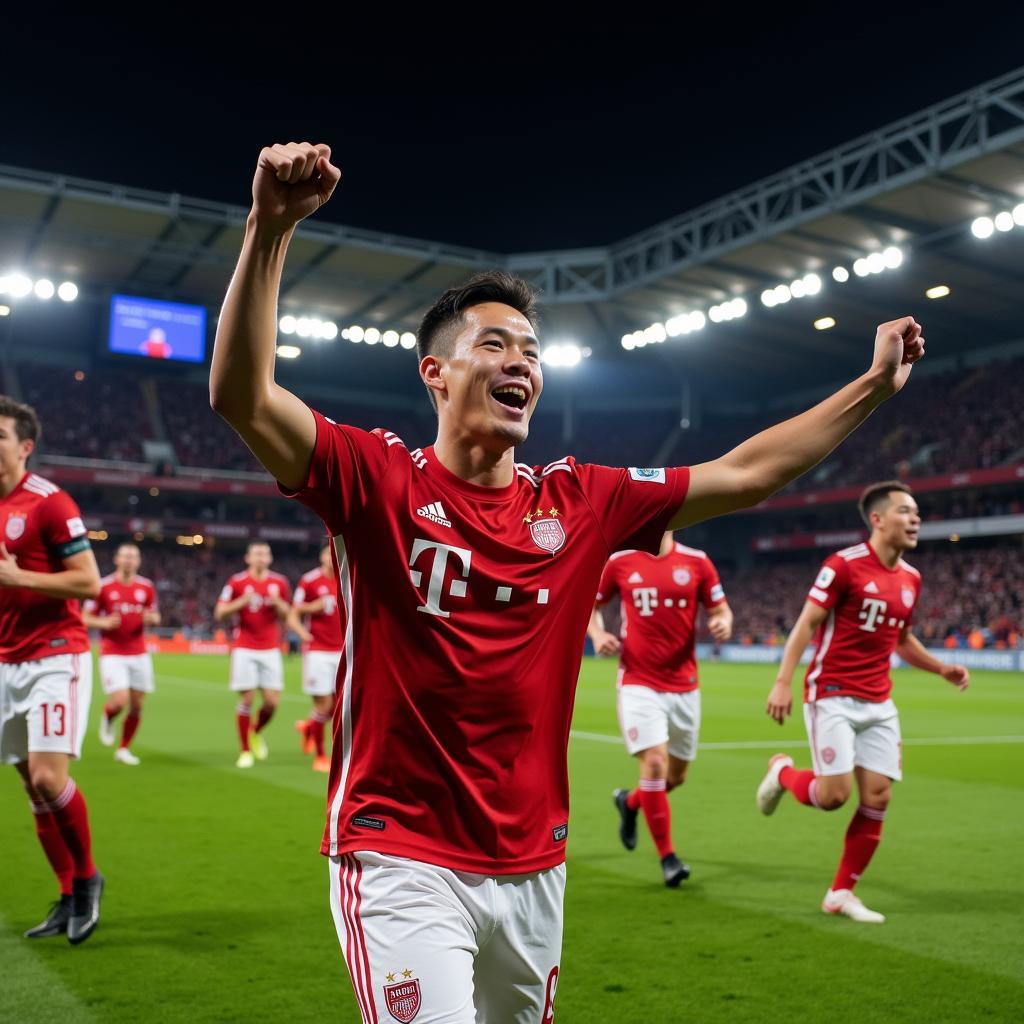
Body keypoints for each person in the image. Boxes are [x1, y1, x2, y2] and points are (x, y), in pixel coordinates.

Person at [210, 139, 925, 1021]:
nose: (522, 361)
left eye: (532, 350)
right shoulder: (376, 481)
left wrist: (872, 387)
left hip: (536, 862)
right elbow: (243, 397)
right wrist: (270, 229)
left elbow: (746, 474)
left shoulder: (583, 500)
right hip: (398, 855)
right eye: (494, 343)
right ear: (435, 373)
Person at [756, 481, 970, 923]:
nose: (916, 519)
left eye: (917, 513)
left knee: (878, 795)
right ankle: (781, 772)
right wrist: (782, 681)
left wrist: (940, 668)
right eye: (905, 512)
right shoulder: (844, 566)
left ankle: (840, 893)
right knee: (834, 796)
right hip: (831, 693)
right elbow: (806, 624)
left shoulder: (911, 578)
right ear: (877, 519)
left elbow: (903, 639)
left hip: (878, 701)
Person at [0, 395, 104, 944]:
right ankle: (66, 895)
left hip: (54, 653)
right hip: (5, 659)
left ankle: (88, 880)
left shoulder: (48, 502)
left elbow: (90, 583)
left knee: (48, 777)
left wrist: (23, 580)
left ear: (25, 446)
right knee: (31, 788)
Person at [589, 531, 733, 886]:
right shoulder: (619, 562)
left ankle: (631, 802)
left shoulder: (697, 562)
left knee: (676, 777)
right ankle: (668, 858)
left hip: (685, 685)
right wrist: (597, 634)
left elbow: (721, 609)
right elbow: (592, 605)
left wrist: (723, 623)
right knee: (655, 762)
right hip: (638, 680)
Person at [214, 541, 290, 768]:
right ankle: (245, 750)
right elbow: (220, 613)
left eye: (265, 553)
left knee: (272, 702)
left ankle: (255, 732)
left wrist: (278, 603)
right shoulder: (237, 582)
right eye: (257, 553)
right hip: (244, 647)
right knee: (246, 698)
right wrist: (241, 602)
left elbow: (288, 614)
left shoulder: (279, 582)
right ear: (248, 558)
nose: (261, 557)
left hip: (270, 648)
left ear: (270, 558)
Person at [82, 543, 160, 765]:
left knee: (137, 704)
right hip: (112, 652)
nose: (129, 560)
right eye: (125, 556)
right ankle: (108, 715)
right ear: (117, 559)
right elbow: (84, 617)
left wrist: (152, 619)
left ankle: (123, 748)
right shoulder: (103, 586)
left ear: (138, 561)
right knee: (119, 700)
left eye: (133, 556)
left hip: (139, 653)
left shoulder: (146, 587)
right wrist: (103, 621)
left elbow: (155, 615)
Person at [288, 544, 341, 773]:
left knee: (338, 705)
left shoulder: (347, 576)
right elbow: (294, 613)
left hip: (343, 651)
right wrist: (303, 634)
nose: (331, 558)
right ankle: (320, 756)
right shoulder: (309, 580)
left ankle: (309, 727)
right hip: (318, 650)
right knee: (324, 705)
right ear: (321, 556)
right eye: (327, 554)